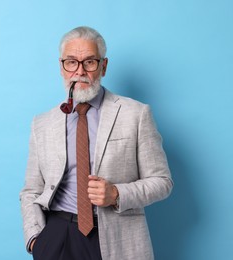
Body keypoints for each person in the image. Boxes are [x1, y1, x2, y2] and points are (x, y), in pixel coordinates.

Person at [20, 26, 173, 260]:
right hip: (57, 236)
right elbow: (31, 190)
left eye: (89, 62)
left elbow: (162, 182)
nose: (79, 71)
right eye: (71, 62)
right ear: (61, 67)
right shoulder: (42, 123)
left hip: (118, 237)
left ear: (103, 66)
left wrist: (116, 194)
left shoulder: (136, 114)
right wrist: (35, 238)